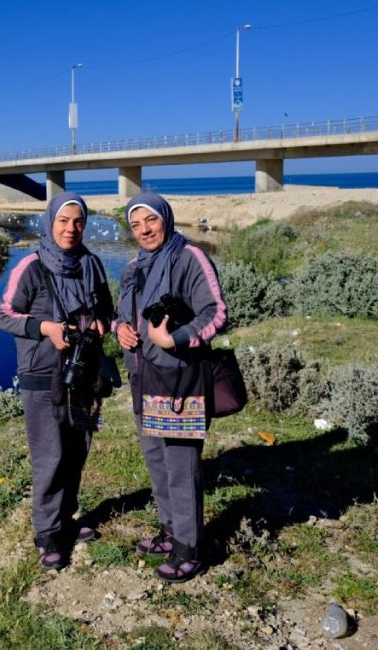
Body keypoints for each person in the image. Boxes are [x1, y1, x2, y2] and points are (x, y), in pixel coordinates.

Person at [0, 192, 114, 570]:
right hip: (41, 374)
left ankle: (67, 518)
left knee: (77, 449)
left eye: (78, 221)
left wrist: (101, 323)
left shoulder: (92, 264)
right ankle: (47, 534)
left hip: (83, 371)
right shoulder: (29, 267)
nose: (71, 228)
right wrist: (45, 327)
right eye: (63, 221)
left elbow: (106, 309)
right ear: (50, 223)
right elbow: (4, 317)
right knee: (50, 455)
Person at [115, 192, 226, 583]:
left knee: (181, 466)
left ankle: (191, 549)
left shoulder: (189, 257)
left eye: (150, 220)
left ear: (166, 218)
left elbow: (217, 312)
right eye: (136, 224)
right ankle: (170, 531)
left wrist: (174, 339)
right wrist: (121, 330)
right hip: (143, 377)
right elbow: (121, 314)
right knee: (156, 459)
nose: (144, 230)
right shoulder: (133, 266)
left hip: (180, 379)